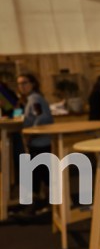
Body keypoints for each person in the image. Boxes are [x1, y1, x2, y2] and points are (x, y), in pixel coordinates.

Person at [17, 73, 53, 209]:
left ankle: (37, 204)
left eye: (24, 83)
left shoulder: (35, 99)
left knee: (39, 172)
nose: (22, 86)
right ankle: (45, 203)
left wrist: (31, 134)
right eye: (19, 84)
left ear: (32, 83)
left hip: (40, 142)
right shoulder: (31, 99)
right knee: (42, 172)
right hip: (39, 141)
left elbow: (41, 117)